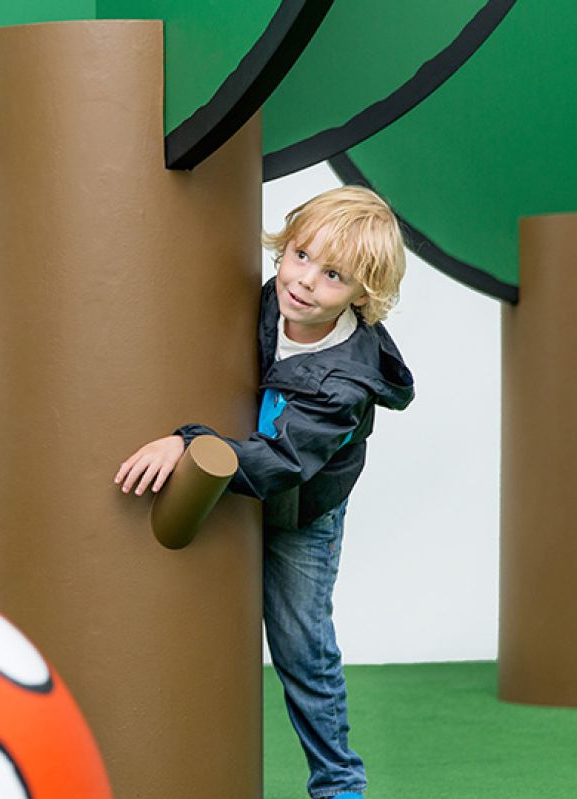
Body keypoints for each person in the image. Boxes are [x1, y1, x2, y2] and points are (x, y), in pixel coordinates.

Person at [113, 185, 414, 799]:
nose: (305, 282)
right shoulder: (267, 303)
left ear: (363, 295)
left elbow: (282, 460)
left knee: (301, 645)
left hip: (302, 511)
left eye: (334, 276)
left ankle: (339, 784)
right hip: (241, 480)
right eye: (301, 255)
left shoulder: (344, 382)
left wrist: (189, 443)